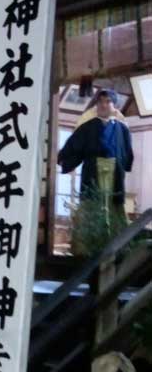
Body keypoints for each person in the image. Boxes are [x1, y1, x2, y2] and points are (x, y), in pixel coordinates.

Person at [58, 88, 133, 252]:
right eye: (100, 102)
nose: (104, 105)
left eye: (108, 102)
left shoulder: (122, 129)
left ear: (114, 105)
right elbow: (73, 145)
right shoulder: (87, 127)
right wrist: (62, 157)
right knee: (91, 207)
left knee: (114, 207)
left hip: (114, 173)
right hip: (93, 171)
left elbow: (127, 152)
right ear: (96, 105)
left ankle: (117, 249)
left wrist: (124, 165)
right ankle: (86, 249)